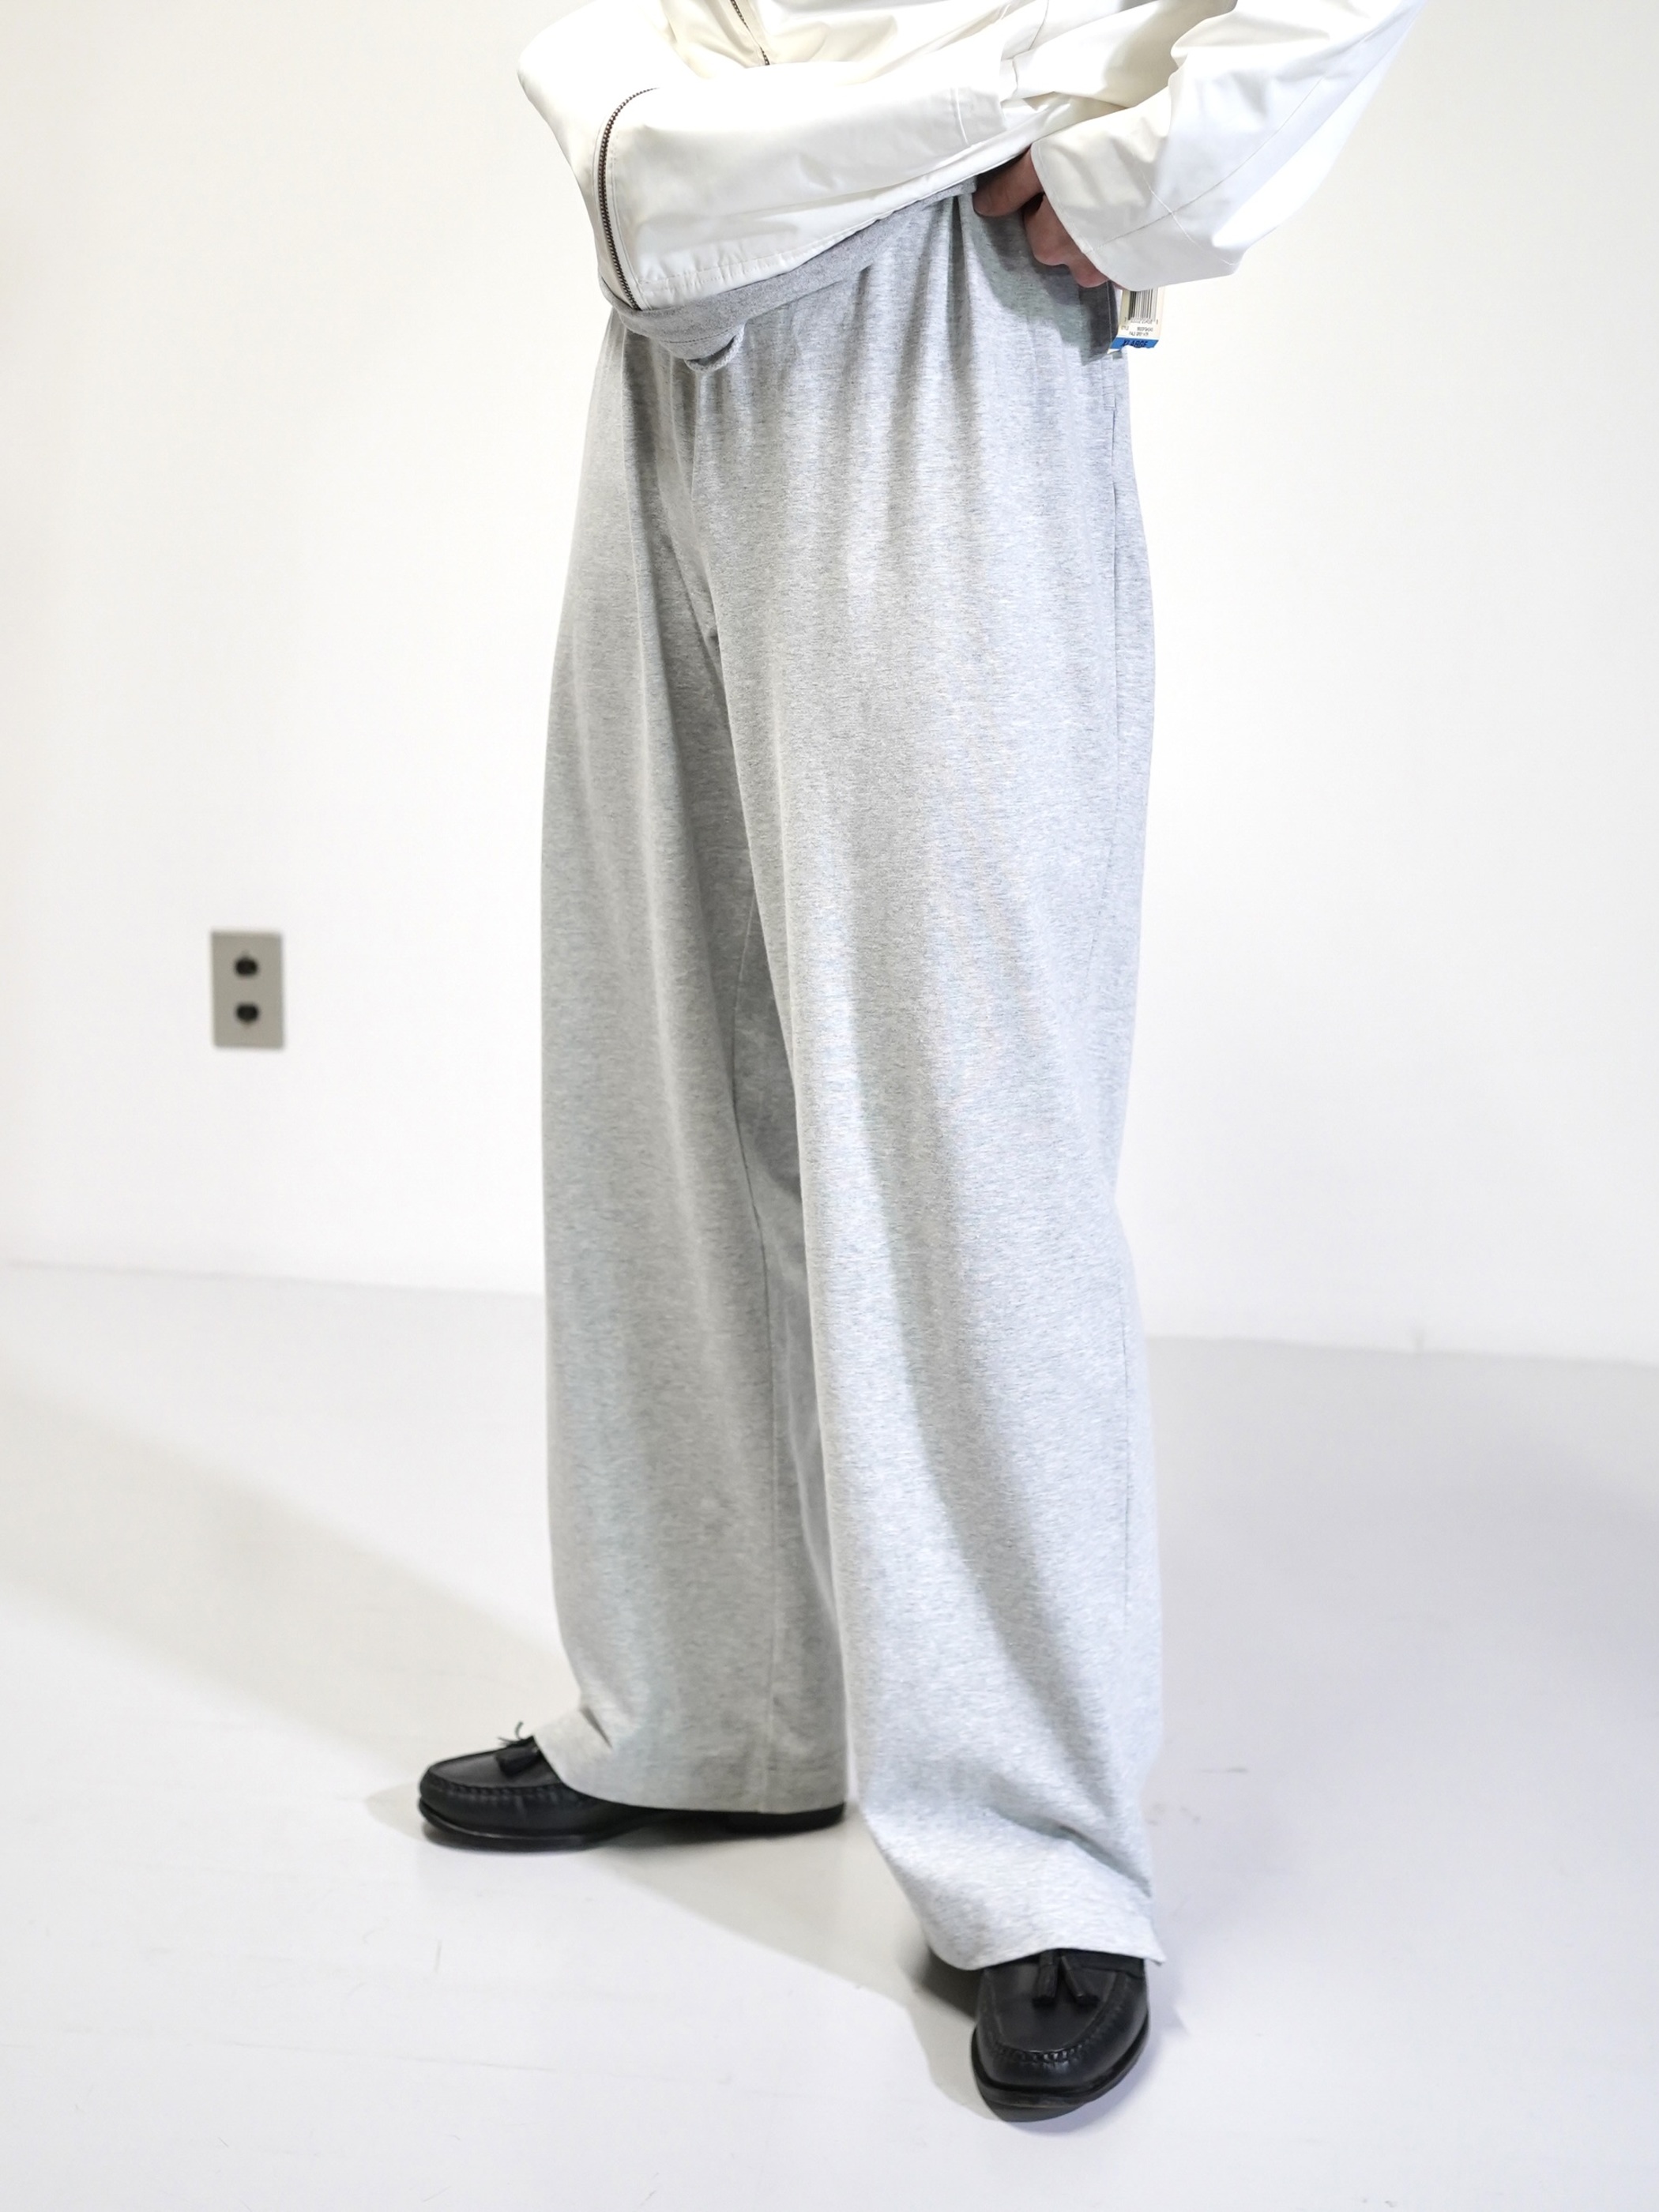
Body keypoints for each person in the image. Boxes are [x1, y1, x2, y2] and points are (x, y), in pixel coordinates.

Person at [418, 0, 1427, 2120]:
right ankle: (717, 1711)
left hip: (945, 310)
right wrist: (686, 132)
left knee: (966, 1128)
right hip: (672, 343)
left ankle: (1040, 1853)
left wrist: (1134, 171)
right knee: (663, 1067)